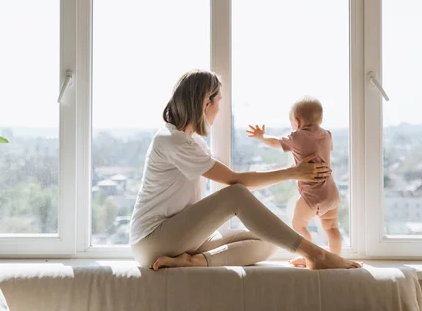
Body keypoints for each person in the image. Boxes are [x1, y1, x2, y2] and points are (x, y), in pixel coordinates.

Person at [129, 70, 361, 270]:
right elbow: (233, 181)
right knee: (236, 195)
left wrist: (294, 172)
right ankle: (316, 254)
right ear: (205, 103)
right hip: (152, 239)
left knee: (272, 240)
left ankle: (196, 261)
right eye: (218, 101)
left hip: (181, 236)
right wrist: (293, 172)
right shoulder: (172, 140)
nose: (219, 109)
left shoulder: (192, 141)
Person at [247, 97, 342, 267]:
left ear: (296, 122)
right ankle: (335, 258)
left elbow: (276, 143)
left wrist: (261, 136)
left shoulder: (296, 136)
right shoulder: (327, 135)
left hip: (313, 194)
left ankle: (310, 256)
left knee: (298, 225)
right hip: (331, 192)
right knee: (332, 228)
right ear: (320, 120)